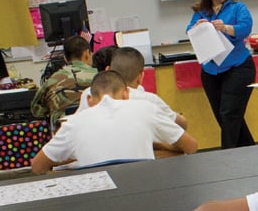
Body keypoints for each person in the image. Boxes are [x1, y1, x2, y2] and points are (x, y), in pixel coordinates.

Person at [31, 71, 197, 174]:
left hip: (96, 204)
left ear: (89, 100)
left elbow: (38, 167)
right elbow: (191, 146)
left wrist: (73, 155)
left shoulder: (73, 123)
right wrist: (158, 146)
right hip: (144, 196)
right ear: (126, 94)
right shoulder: (146, 108)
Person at [186, 0, 255, 149]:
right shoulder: (201, 12)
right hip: (211, 70)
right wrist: (198, 26)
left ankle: (228, 157)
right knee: (226, 117)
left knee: (229, 114)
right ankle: (249, 151)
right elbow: (189, 30)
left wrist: (225, 27)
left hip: (238, 67)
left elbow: (245, 28)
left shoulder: (237, 7)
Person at [30, 36, 97, 126]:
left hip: (62, 134)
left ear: (65, 58)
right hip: (94, 130)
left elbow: (36, 111)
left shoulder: (52, 80)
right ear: (87, 54)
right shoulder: (101, 78)